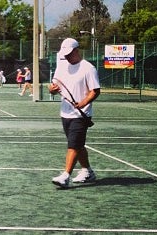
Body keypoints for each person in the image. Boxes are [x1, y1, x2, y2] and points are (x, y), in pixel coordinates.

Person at [48, 38, 101, 188]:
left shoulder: (88, 68)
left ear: (77, 51)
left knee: (73, 145)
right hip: (65, 113)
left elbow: (95, 91)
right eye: (65, 54)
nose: (67, 57)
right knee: (78, 145)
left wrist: (83, 103)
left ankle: (65, 176)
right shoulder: (62, 66)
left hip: (81, 115)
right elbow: (53, 85)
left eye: (69, 54)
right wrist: (51, 89)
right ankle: (87, 171)